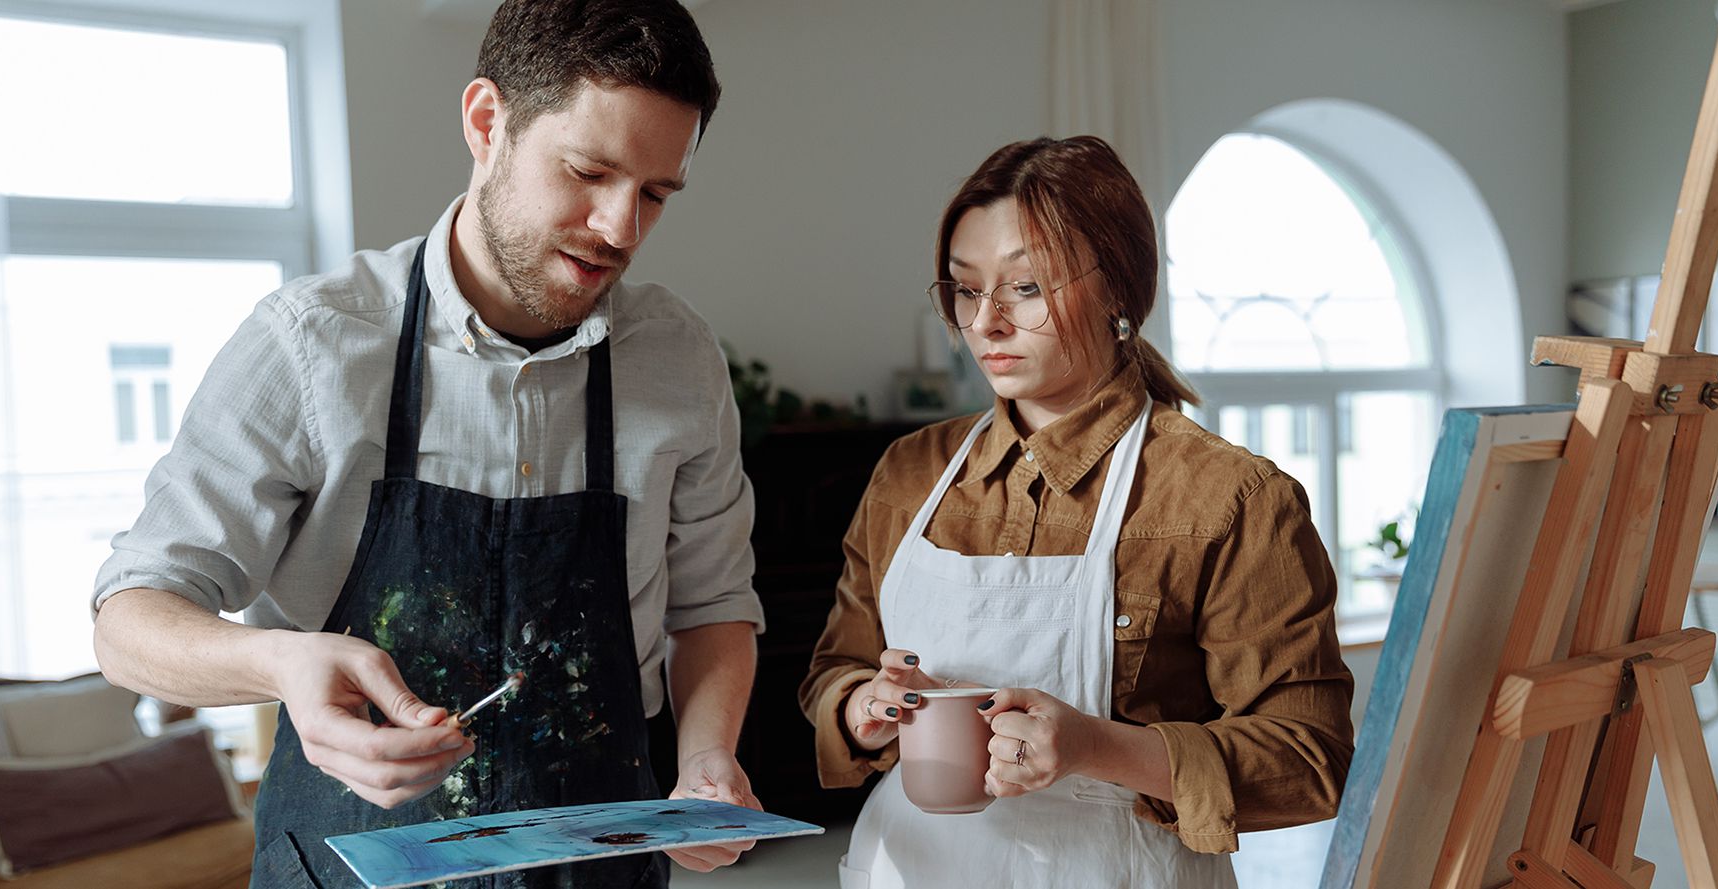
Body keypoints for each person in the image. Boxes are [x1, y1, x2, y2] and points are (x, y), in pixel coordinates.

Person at [90, 2, 765, 885]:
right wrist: (282, 662)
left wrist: (709, 756)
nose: (620, 228)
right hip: (342, 860)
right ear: (488, 123)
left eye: (655, 193)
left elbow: (712, 602)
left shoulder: (678, 359)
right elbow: (129, 623)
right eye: (589, 172)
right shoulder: (313, 342)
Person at [800, 136, 1355, 888]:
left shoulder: (1231, 498)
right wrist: (859, 703)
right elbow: (837, 666)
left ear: (1119, 290)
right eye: (966, 290)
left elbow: (1308, 756)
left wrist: (1096, 746)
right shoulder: (910, 472)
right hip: (904, 866)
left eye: (1025, 287)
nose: (987, 321)